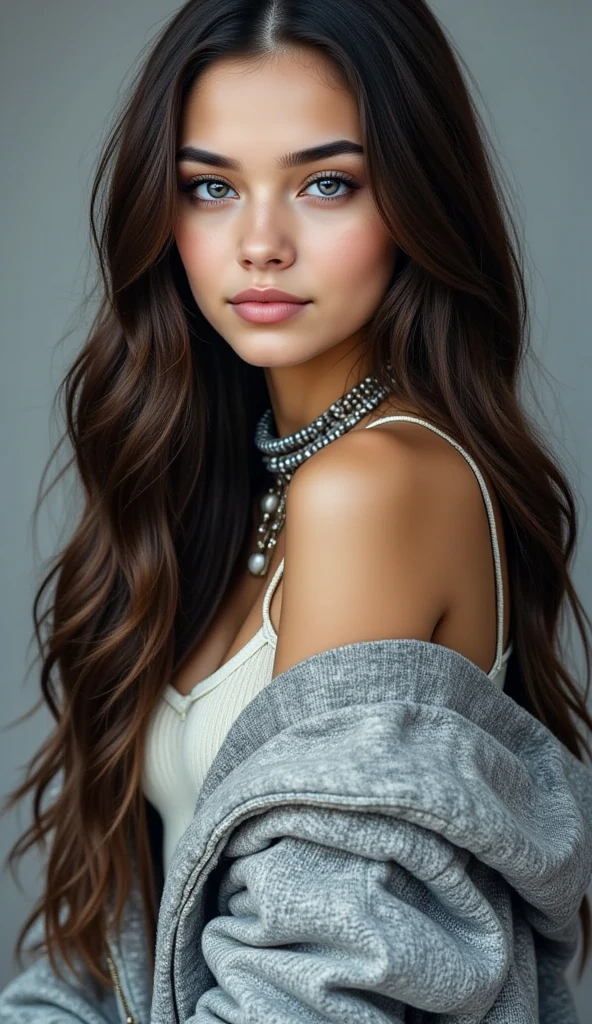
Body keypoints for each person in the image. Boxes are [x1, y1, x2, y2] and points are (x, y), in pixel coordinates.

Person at [2, 0, 592, 1020]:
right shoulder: (234, 481)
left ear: (415, 198)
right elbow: (117, 940)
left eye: (327, 183)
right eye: (210, 187)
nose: (259, 242)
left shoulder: (376, 485)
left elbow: (309, 988)